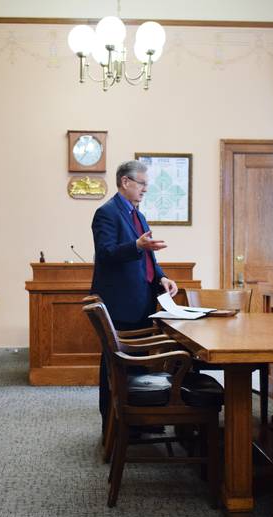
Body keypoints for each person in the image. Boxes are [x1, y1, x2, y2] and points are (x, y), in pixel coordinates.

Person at [90, 160, 178, 432]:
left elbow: (147, 254)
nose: (145, 189)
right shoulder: (106, 213)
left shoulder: (138, 214)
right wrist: (136, 245)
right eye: (142, 184)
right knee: (115, 365)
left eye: (146, 185)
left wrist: (162, 276)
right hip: (120, 301)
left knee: (139, 362)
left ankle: (139, 422)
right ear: (126, 182)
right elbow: (106, 253)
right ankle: (113, 426)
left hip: (143, 299)